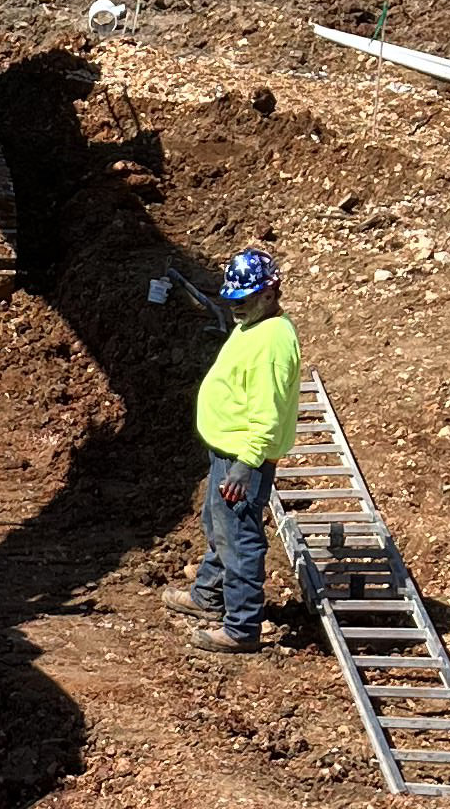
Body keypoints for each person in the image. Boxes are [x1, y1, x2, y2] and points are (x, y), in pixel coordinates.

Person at [164, 246, 301, 653]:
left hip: (245, 458)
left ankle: (241, 628)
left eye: (242, 302)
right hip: (229, 450)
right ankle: (209, 595)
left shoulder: (273, 344)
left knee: (240, 537)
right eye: (231, 302)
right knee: (218, 522)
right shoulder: (254, 324)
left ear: (270, 292)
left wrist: (246, 463)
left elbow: (268, 411)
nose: (236, 310)